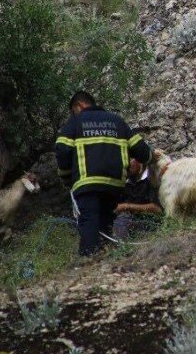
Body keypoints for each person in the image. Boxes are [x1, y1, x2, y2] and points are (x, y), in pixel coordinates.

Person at [55, 91, 152, 256]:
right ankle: (104, 256)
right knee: (105, 220)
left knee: (89, 220)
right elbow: (143, 152)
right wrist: (150, 158)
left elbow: (62, 150)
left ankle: (88, 260)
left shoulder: (76, 122)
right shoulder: (117, 121)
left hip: (87, 184)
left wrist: (66, 177)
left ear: (79, 106)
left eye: (73, 110)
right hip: (114, 185)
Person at [112, 157, 162, 240]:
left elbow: (157, 209)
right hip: (130, 223)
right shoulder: (126, 182)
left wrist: (126, 206)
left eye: (130, 159)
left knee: (121, 221)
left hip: (152, 224)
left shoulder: (152, 179)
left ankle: (121, 248)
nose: (127, 164)